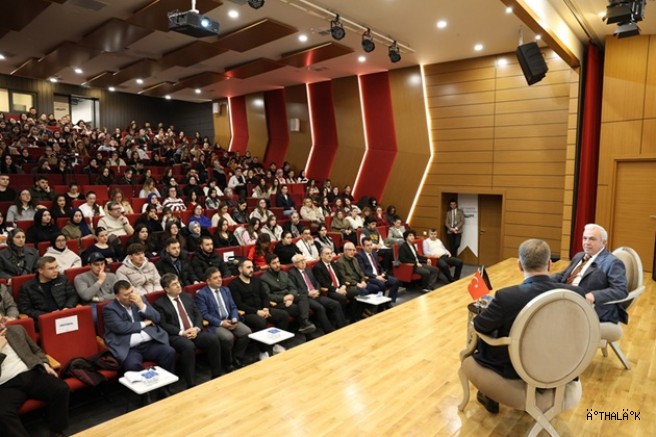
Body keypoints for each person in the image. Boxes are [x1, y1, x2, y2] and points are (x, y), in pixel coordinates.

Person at [472, 239, 585, 414]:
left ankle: (489, 395)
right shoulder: (576, 294)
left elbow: (480, 326)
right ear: (549, 264)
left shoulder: (506, 297)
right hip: (560, 365)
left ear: (519, 265)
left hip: (517, 368)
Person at [0, 320, 70, 437]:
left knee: (61, 388)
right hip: (6, 385)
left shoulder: (17, 330)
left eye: (2, 321)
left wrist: (45, 363)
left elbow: (36, 350)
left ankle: (57, 432)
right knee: (3, 414)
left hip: (31, 373)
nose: (2, 326)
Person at [154, 273, 223, 388]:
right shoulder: (160, 304)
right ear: (167, 289)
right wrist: (182, 333)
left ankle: (217, 374)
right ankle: (191, 383)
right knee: (188, 346)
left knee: (213, 339)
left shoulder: (187, 297)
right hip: (177, 335)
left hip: (194, 330)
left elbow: (198, 314)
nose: (178, 285)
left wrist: (196, 328)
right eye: (174, 284)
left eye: (178, 282)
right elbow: (163, 324)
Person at [551, 223, 628, 324]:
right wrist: (542, 278)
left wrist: (594, 295)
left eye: (592, 239)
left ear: (604, 242)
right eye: (585, 238)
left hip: (590, 308)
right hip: (567, 299)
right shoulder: (579, 255)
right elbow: (564, 275)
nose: (587, 242)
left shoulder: (612, 262)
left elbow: (621, 290)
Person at [102, 280, 175, 373]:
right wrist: (144, 324)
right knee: (132, 365)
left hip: (148, 344)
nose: (131, 296)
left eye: (131, 292)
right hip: (128, 347)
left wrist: (141, 305)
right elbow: (121, 327)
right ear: (117, 297)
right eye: (126, 295)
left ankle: (167, 382)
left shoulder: (140, 300)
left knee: (169, 352)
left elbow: (156, 318)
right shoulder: (109, 309)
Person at [229, 259, 290, 360]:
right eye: (248, 267)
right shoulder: (234, 284)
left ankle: (277, 345)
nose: (251, 270)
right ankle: (263, 351)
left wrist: (265, 308)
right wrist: (257, 312)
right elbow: (239, 304)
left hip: (263, 309)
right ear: (240, 269)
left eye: (252, 267)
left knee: (283, 315)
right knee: (260, 322)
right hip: (247, 313)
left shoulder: (256, 280)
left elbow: (265, 296)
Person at [195, 267, 252, 372]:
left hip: (230, 319)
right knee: (228, 337)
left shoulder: (226, 290)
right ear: (208, 281)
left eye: (220, 277)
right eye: (215, 278)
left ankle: (237, 357)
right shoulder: (202, 294)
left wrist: (234, 318)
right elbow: (204, 314)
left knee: (246, 332)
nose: (219, 279)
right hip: (214, 324)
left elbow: (233, 307)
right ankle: (228, 362)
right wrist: (221, 323)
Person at [260, 254, 317, 334]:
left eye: (278, 262)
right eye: (274, 263)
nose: (277, 265)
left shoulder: (284, 274)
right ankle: (304, 325)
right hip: (278, 302)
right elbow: (268, 295)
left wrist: (291, 296)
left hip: (289, 297)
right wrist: (283, 299)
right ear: (268, 265)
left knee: (303, 297)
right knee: (298, 308)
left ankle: (304, 322)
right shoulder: (264, 278)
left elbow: (293, 288)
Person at [289, 254, 346, 333]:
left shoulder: (308, 270)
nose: (303, 262)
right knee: (320, 308)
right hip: (306, 298)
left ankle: (342, 326)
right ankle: (329, 330)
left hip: (316, 294)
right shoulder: (292, 273)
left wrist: (317, 290)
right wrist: (308, 293)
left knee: (335, 304)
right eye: (300, 261)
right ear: (295, 264)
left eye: (304, 260)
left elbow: (316, 282)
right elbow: (295, 289)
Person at [18, 256, 78, 327]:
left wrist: (67, 308)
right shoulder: (28, 287)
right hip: (44, 320)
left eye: (56, 267)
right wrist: (47, 315)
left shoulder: (62, 279)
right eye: (51, 268)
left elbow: (72, 295)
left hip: (65, 315)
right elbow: (25, 308)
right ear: (40, 270)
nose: (56, 271)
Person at [357, 238, 401, 304]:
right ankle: (381, 304)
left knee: (396, 281)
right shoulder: (360, 256)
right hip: (370, 277)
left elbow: (378, 265)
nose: (370, 247)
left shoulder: (374, 253)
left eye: (371, 245)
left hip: (379, 275)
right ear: (363, 246)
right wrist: (376, 277)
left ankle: (390, 301)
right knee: (381, 284)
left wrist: (383, 273)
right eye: (367, 245)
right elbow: (364, 271)